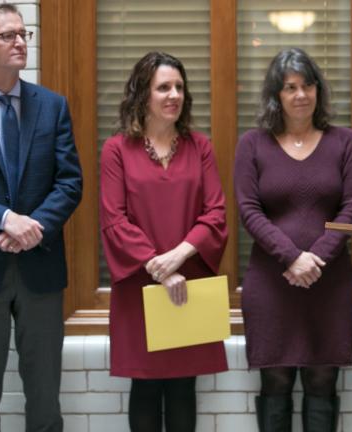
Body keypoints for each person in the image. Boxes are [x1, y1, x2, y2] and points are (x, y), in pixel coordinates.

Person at [234, 47, 352, 432]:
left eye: (307, 85)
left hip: (331, 283)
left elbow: (351, 208)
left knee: (323, 382)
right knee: (275, 381)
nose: (301, 94)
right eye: (290, 87)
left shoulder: (345, 143)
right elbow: (248, 210)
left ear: (318, 90)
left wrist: (314, 259)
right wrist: (292, 258)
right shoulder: (252, 144)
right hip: (271, 285)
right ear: (276, 95)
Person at [99, 51, 228, 432]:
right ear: (143, 93)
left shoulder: (199, 146)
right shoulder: (117, 150)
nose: (174, 95)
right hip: (140, 286)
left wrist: (176, 259)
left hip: (188, 285)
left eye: (179, 87)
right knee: (145, 385)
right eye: (163, 87)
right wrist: (159, 268)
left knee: (184, 387)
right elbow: (114, 220)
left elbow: (216, 214)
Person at [0, 4, 83, 431]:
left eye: (23, 34)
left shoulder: (52, 106)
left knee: (46, 401)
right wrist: (4, 218)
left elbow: (70, 182)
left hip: (41, 268)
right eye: (7, 35)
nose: (20, 42)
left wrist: (33, 228)